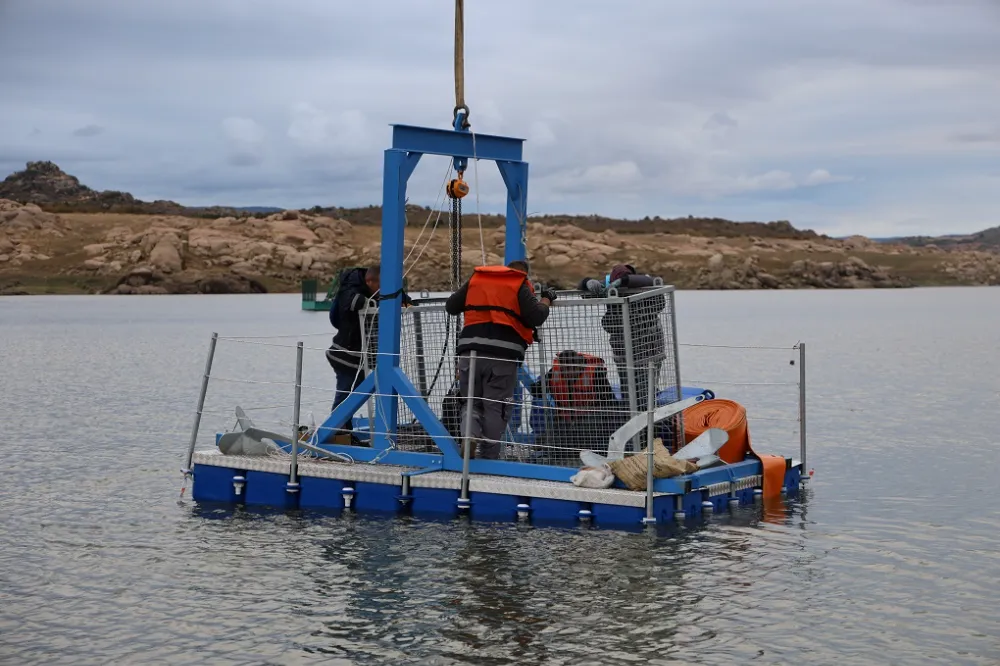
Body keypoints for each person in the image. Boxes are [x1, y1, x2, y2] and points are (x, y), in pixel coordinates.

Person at [445, 260, 555, 459]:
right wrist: (546, 299)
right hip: (502, 355)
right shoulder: (518, 284)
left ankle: (469, 435)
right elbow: (536, 316)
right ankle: (489, 456)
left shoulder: (477, 279)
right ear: (524, 274)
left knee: (470, 402)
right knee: (496, 406)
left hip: (469, 352)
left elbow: (451, 306)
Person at [325, 265, 412, 439]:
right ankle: (336, 432)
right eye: (381, 285)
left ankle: (344, 432)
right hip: (345, 354)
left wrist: (403, 298)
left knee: (352, 394)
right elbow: (352, 302)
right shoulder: (349, 289)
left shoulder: (370, 288)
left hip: (359, 356)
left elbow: (393, 295)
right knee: (346, 394)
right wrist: (372, 301)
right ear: (369, 281)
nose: (382, 290)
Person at [581, 264, 667, 411]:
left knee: (646, 388)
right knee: (628, 388)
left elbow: (657, 297)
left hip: (649, 350)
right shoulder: (608, 286)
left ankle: (647, 417)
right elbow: (582, 286)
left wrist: (623, 283)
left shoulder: (645, 285)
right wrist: (588, 282)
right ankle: (633, 417)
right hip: (622, 350)